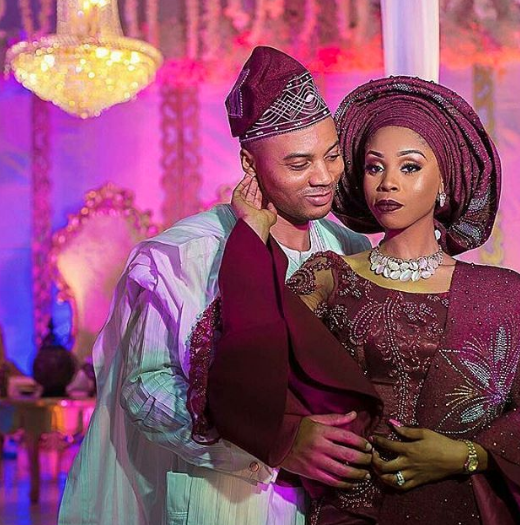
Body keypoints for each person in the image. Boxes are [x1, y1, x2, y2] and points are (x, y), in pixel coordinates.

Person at [58, 46, 372, 525]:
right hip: (227, 499)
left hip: (335, 502)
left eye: (332, 156)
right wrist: (275, 444)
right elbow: (145, 387)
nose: (323, 177)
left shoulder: (350, 247)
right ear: (250, 162)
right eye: (298, 164)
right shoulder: (189, 254)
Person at [207, 76, 520, 525]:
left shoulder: (502, 293)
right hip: (350, 510)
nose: (388, 183)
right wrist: (254, 234)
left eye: (409, 167)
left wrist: (469, 455)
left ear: (445, 180)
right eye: (375, 167)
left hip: (462, 508)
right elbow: (247, 355)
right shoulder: (330, 276)